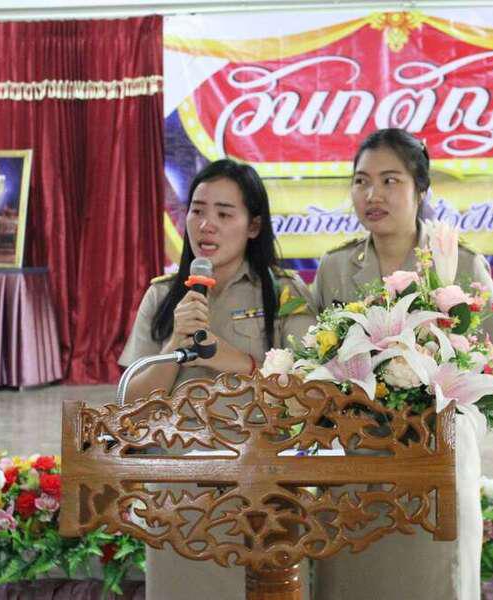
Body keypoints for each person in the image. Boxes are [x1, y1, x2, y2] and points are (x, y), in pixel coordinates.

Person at [311, 128, 493, 600]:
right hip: (356, 457)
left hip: (436, 454)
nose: (372, 195)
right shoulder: (335, 268)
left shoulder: (459, 263)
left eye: (390, 181)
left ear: (421, 189)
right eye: (361, 181)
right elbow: (315, 363)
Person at [118, 158, 317, 600]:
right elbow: (131, 407)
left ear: (253, 226)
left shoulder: (285, 292)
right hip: (178, 491)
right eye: (197, 210)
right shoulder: (162, 295)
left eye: (224, 214)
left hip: (261, 486)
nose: (206, 225)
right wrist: (175, 341)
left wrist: (234, 360)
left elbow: (308, 395)